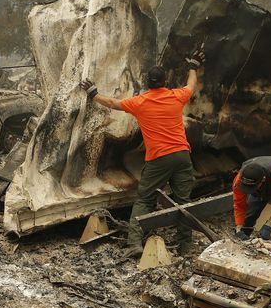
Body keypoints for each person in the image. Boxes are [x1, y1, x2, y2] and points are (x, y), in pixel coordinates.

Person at [79, 50, 204, 257]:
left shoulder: (140, 102)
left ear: (147, 82)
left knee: (145, 200)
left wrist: (93, 93)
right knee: (183, 202)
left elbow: (113, 104)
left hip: (159, 158)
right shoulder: (176, 96)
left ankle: (134, 243)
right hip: (182, 155)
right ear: (165, 82)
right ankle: (185, 246)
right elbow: (191, 85)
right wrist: (193, 66)